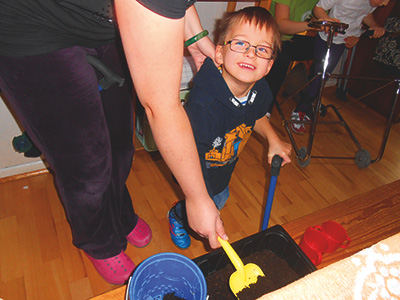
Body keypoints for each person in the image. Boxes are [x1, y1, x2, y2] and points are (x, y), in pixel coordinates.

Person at [0, 0, 216, 285]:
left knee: (120, 144)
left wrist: (195, 33)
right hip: (33, 28)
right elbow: (160, 107)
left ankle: (120, 213)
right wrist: (197, 197)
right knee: (86, 163)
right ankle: (97, 239)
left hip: (107, 24)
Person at [166, 6, 293, 249]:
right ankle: (178, 216)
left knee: (220, 197)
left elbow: (255, 116)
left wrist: (273, 138)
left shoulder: (260, 90)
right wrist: (199, 198)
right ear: (220, 53)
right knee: (206, 205)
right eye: (241, 44)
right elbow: (187, 152)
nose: (251, 54)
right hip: (195, 167)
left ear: (269, 66)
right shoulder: (205, 104)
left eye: (262, 49)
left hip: (223, 168)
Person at [291, 0, 389, 134]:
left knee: (325, 76)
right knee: (320, 74)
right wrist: (326, 19)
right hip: (326, 37)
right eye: (383, 0)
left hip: (345, 40)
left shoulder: (372, 3)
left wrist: (373, 25)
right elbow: (318, 8)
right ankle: (300, 109)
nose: (384, 4)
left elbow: (365, 14)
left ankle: (309, 101)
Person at [264, 0, 322, 134]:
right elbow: (282, 25)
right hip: (274, 37)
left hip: (292, 39)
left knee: (325, 51)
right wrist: (313, 25)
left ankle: (305, 104)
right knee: (283, 53)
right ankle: (265, 108)